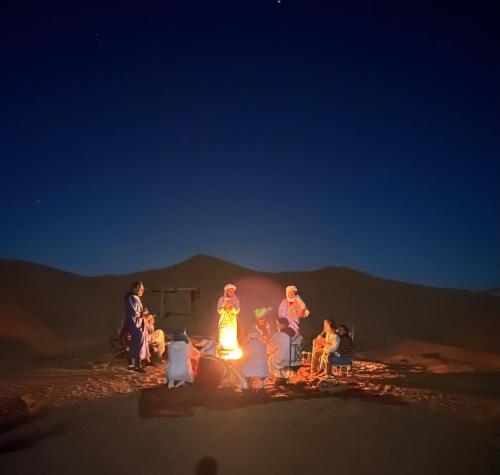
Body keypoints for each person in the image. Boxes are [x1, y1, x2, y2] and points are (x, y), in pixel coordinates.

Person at [123, 281, 149, 372]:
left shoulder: (135, 298)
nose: (141, 290)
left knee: (135, 345)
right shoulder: (131, 299)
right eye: (140, 288)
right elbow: (133, 314)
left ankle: (131, 365)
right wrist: (144, 313)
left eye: (142, 289)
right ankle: (137, 366)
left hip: (137, 325)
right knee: (137, 345)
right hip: (134, 326)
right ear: (134, 289)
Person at [217, 283, 242, 358]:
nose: (231, 293)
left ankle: (231, 351)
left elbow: (237, 311)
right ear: (226, 291)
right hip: (224, 319)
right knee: (223, 333)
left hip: (232, 321)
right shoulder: (221, 299)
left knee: (232, 334)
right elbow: (219, 311)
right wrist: (224, 307)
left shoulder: (236, 299)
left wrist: (231, 307)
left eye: (233, 291)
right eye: (230, 291)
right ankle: (222, 351)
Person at [267, 318, 295, 384]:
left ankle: (279, 377)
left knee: (270, 358)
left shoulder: (278, 335)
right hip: (294, 360)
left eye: (277, 325)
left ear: (281, 325)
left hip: (282, 361)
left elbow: (269, 349)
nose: (277, 326)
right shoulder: (294, 334)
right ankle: (285, 377)